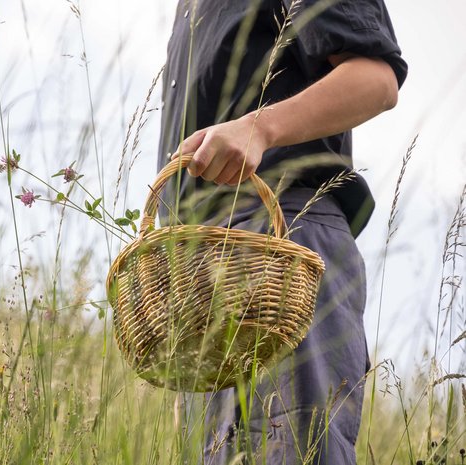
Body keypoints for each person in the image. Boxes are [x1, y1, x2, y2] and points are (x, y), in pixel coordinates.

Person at [157, 0, 407, 463]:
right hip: (203, 284)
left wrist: (261, 128)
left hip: (282, 247)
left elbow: (376, 78)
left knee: (296, 451)